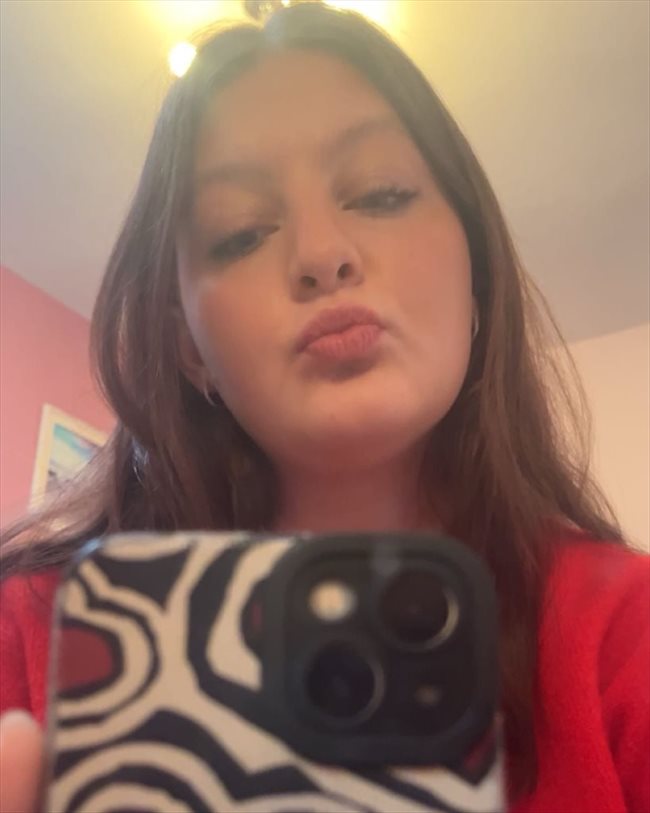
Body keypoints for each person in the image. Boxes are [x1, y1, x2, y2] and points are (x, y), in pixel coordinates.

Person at [0, 4, 648, 812]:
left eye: (381, 192)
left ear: (475, 275)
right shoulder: (31, 630)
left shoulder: (624, 631)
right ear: (189, 348)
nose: (321, 256)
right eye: (241, 234)